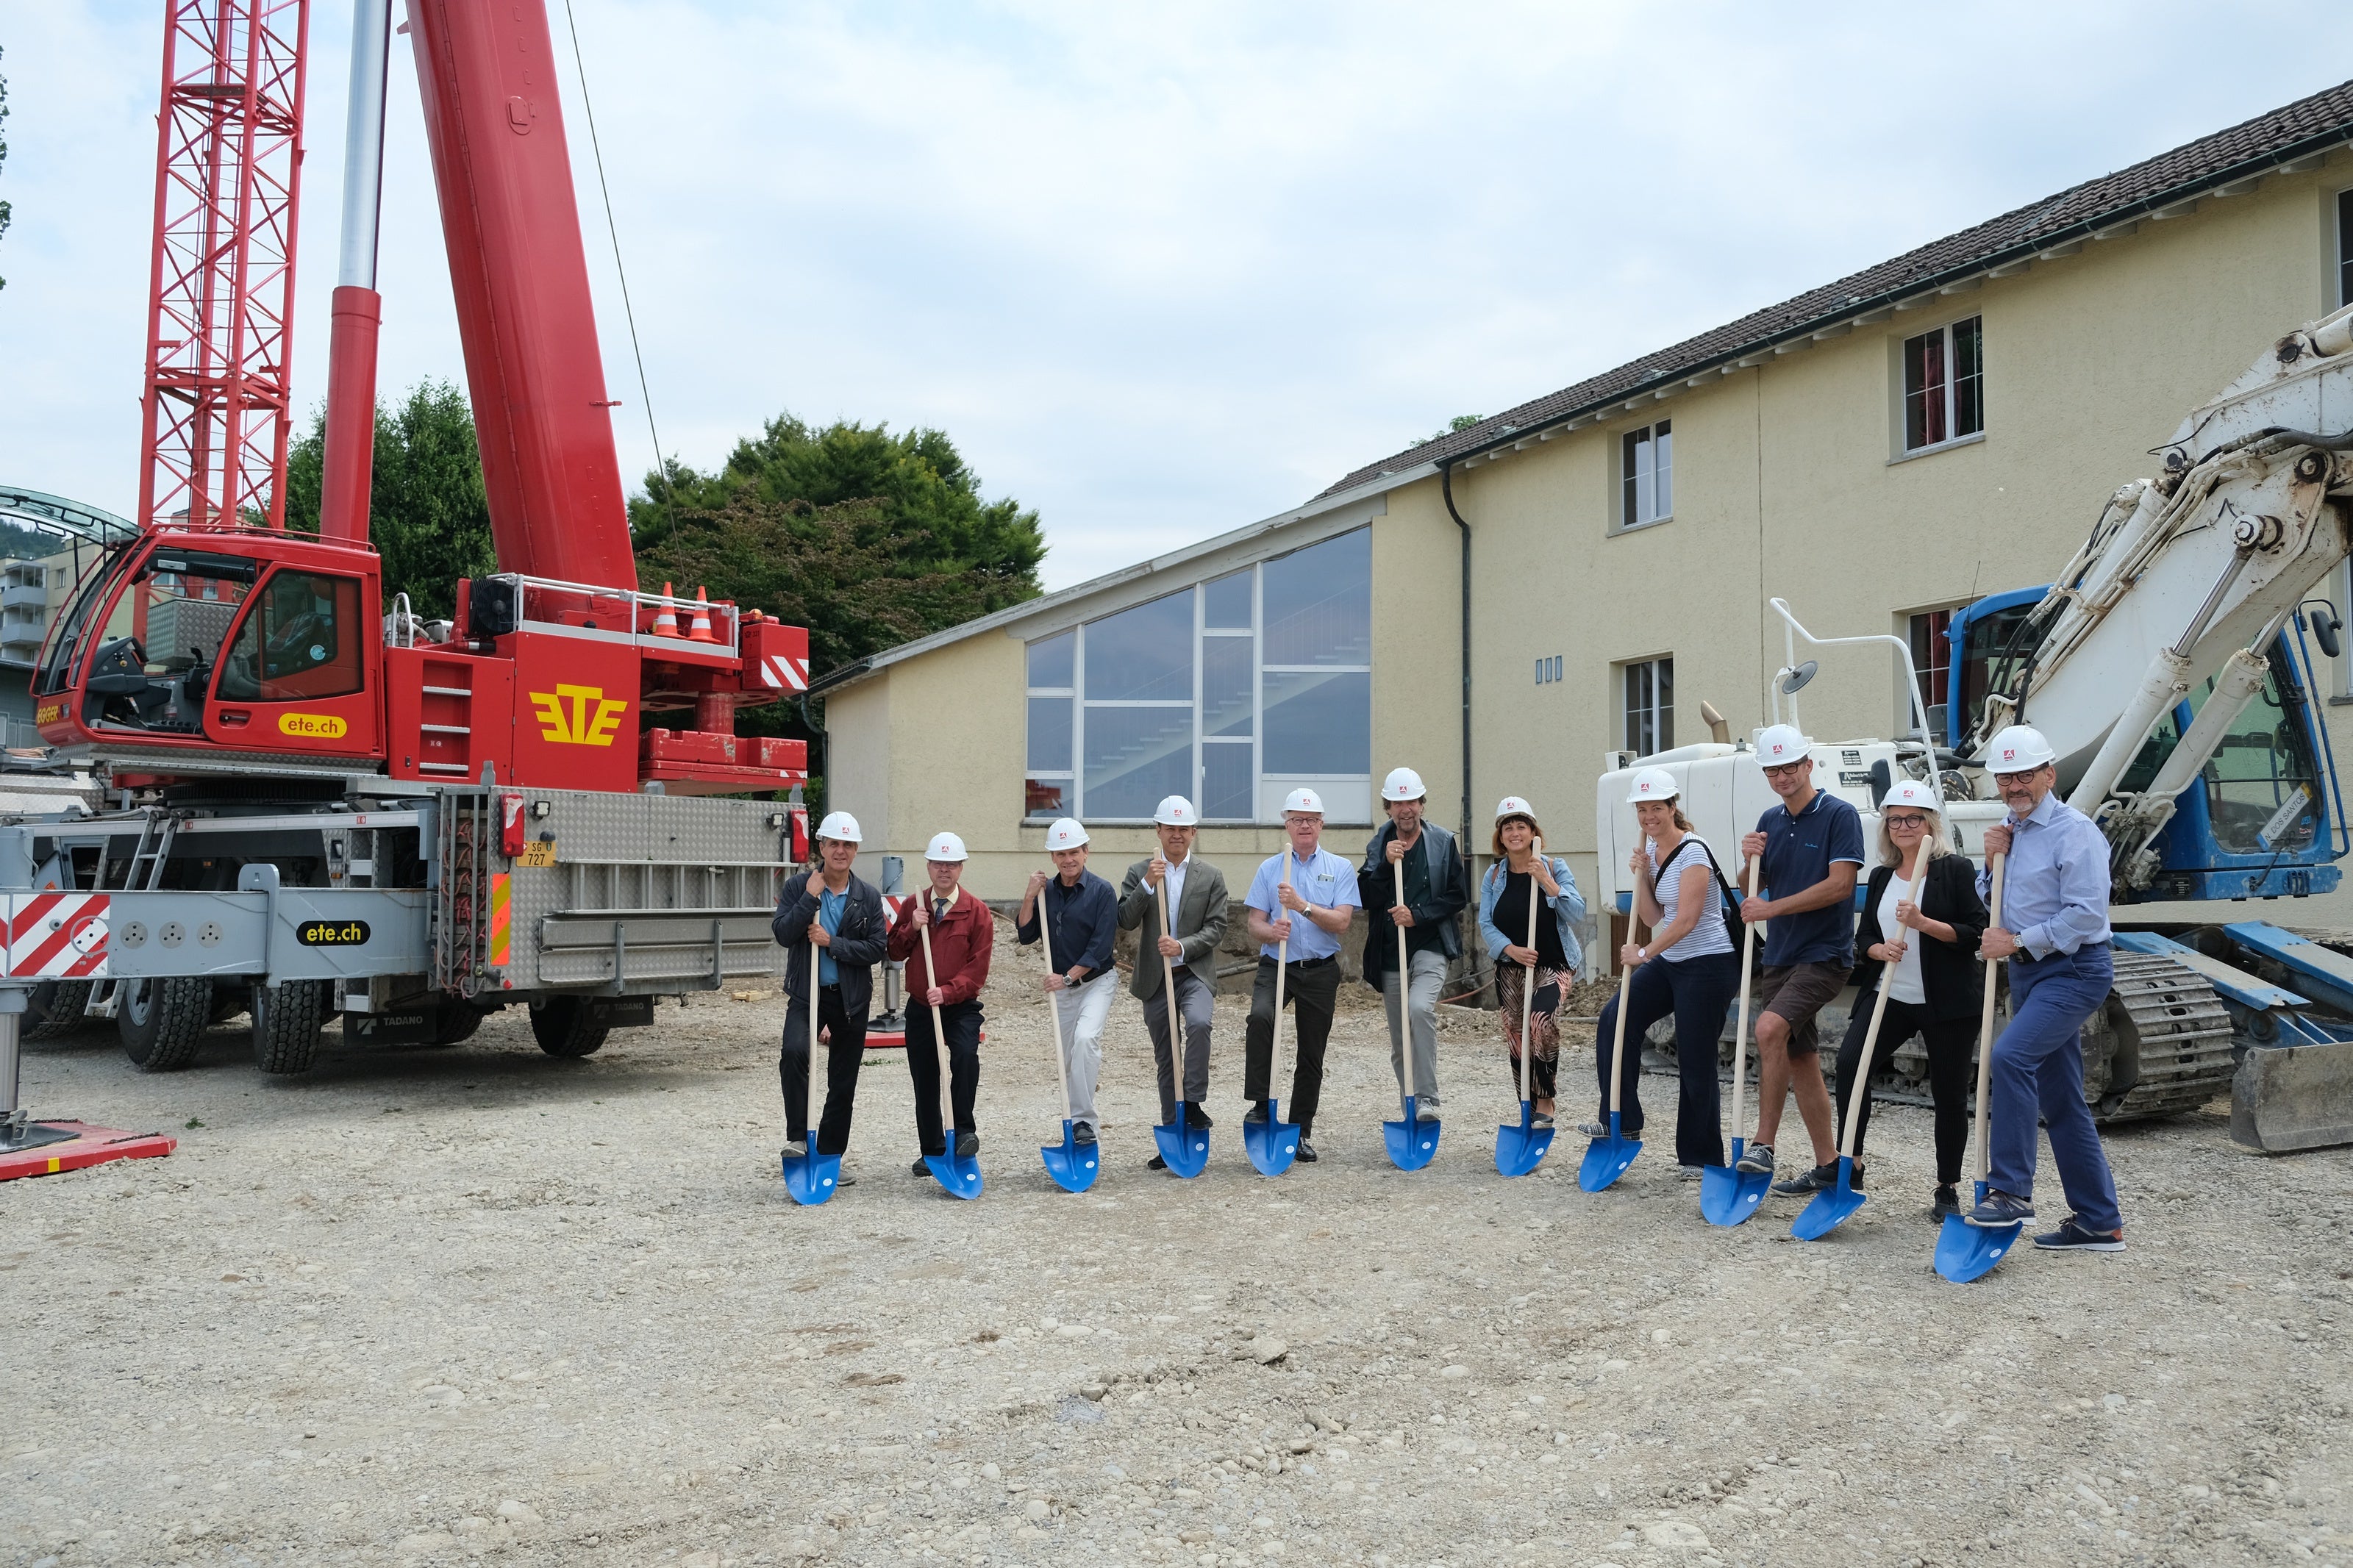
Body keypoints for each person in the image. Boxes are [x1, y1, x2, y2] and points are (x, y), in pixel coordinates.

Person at [1964, 725, 2127, 1251]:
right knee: (2062, 1100)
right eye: (2005, 777)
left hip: (2075, 970)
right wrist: (1990, 865)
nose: (2014, 785)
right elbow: (1996, 900)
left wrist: (2013, 942)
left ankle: (2011, 1191)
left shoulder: (2075, 832)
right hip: (2033, 972)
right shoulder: (2009, 831)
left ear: (2048, 775)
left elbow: (2084, 916)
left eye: (2024, 775)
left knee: (2009, 1057)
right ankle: (2099, 1221)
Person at [1812, 779, 1987, 1216]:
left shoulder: (1956, 870)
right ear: (1887, 827)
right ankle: (1849, 1162)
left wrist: (1924, 924)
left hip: (1946, 1002)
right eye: (1895, 820)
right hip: (1889, 993)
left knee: (1949, 1094)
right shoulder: (1882, 876)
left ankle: (1947, 1185)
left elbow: (1975, 934)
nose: (1903, 826)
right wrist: (1878, 949)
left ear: (1930, 823)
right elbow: (1866, 935)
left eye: (1912, 818)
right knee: (1851, 1064)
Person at [1733, 724, 1866, 1189]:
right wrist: (1748, 860)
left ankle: (1763, 1145)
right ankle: (1832, 1166)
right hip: (1782, 955)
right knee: (1801, 1058)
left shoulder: (1839, 815)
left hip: (1824, 954)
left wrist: (1771, 908)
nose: (1783, 776)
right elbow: (1753, 886)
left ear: (1808, 764)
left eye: (1790, 766)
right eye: (1773, 770)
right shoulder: (1770, 819)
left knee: (1768, 1027)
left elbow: (1841, 886)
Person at [1590, 768, 1741, 1174]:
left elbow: (1688, 920)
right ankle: (1620, 1122)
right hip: (1672, 962)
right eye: (1641, 810)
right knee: (1615, 1019)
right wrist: (1640, 876)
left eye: (1656, 807)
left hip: (1708, 964)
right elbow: (1657, 914)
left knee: (1695, 1057)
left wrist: (1643, 952)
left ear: (1673, 807)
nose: (1648, 817)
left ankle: (1701, 1157)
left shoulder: (1694, 851)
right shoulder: (1653, 854)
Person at [1241, 788, 1362, 1163]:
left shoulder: (1339, 868)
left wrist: (1302, 906)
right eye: (1296, 819)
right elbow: (1253, 924)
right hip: (1277, 965)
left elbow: (1342, 922)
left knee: (1312, 1052)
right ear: (1287, 825)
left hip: (1321, 970)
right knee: (1261, 1018)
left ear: (1321, 824)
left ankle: (1300, 1130)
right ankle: (1262, 1105)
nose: (1304, 825)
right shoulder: (1270, 868)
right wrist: (1270, 932)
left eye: (1310, 819)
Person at [774, 810, 889, 1182]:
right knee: (794, 1052)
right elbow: (783, 934)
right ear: (821, 846)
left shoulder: (867, 896)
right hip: (807, 996)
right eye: (834, 843)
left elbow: (876, 948)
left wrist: (832, 943)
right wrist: (809, 900)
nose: (841, 851)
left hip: (850, 1000)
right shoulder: (798, 887)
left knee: (843, 1080)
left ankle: (829, 1155)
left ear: (856, 850)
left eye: (848, 845)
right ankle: (798, 1139)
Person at [1118, 795, 1231, 1171]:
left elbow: (1217, 927)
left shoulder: (1211, 875)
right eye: (1171, 829)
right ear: (1159, 831)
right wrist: (1148, 885)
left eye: (1184, 829)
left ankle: (1194, 1103)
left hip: (1193, 972)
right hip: (1156, 978)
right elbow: (1127, 920)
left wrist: (1182, 945)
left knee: (1199, 1023)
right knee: (1166, 1057)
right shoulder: (1140, 872)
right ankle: (1172, 1133)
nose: (1177, 835)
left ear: (1193, 832)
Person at [1360, 767, 1471, 1120]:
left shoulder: (1441, 841)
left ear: (1422, 804)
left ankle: (1428, 1099)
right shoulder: (1378, 845)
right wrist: (1384, 866)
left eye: (1411, 801)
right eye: (1397, 803)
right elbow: (1365, 897)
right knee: (1399, 1040)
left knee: (1420, 1009)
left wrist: (1418, 914)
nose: (1405, 809)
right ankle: (1410, 1101)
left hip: (1430, 945)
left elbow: (1458, 895)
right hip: (1390, 952)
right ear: (1388, 808)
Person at [1474, 795, 1585, 1126]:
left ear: (1533, 831)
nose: (1514, 832)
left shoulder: (1554, 867)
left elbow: (1576, 912)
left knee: (1541, 1020)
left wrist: (1547, 883)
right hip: (1511, 966)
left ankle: (1547, 1099)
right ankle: (1528, 1102)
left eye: (1521, 825)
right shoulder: (1494, 875)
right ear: (1501, 836)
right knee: (1516, 1033)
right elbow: (1485, 923)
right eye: (1508, 827)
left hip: (1554, 962)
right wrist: (1511, 950)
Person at [889, 830, 994, 1177]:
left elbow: (977, 969)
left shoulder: (977, 912)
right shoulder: (913, 905)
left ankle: (963, 1132)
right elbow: (893, 951)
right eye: (938, 864)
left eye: (951, 864)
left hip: (960, 1006)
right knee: (925, 1076)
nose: (944, 870)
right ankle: (932, 1149)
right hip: (921, 1005)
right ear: (929, 866)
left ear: (961, 868)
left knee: (965, 1056)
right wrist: (910, 928)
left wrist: (947, 992)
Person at [1015, 817, 1119, 1149]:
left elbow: (1099, 950)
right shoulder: (1046, 892)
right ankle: (1077, 1122)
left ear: (1086, 852)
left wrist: (1066, 978)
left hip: (1095, 982)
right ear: (1053, 858)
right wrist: (1030, 897)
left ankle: (1084, 1123)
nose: (1068, 859)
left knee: (1086, 1041)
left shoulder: (1103, 892)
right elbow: (1025, 935)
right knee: (1068, 1059)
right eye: (1061, 854)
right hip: (1060, 986)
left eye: (1074, 852)